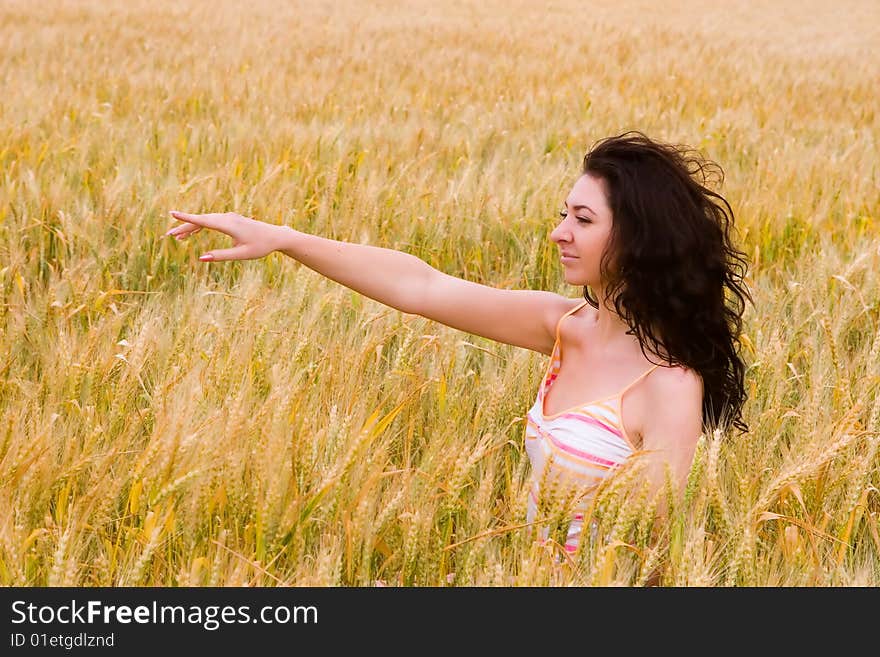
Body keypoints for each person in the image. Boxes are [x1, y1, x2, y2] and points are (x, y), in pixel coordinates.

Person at [165, 130, 752, 562]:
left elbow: (646, 560)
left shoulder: (669, 386)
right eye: (561, 215)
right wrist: (285, 239)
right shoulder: (566, 326)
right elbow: (423, 286)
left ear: (636, 237)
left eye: (582, 219)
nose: (559, 233)